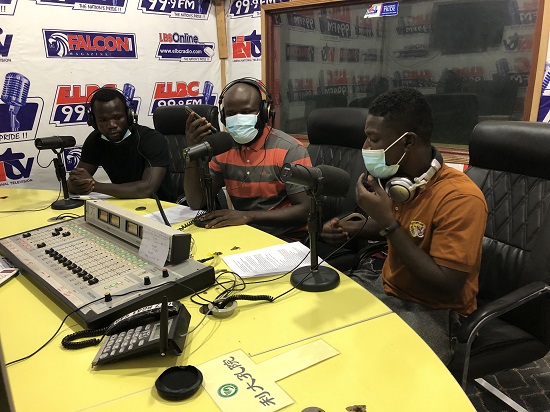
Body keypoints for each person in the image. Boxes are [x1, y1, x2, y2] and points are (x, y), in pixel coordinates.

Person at [321, 87, 488, 363]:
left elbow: (447, 286)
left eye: (374, 139)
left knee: (376, 366)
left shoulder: (460, 198)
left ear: (408, 141)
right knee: (321, 328)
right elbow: (407, 227)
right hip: (387, 286)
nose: (366, 147)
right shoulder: (402, 182)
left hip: (435, 309)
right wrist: (351, 227)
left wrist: (388, 222)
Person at [184, 78, 311, 239]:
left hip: (286, 238)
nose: (238, 119)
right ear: (223, 117)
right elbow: (197, 202)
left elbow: (306, 210)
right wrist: (192, 155)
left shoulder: (289, 150)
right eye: (231, 114)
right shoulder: (223, 149)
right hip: (243, 235)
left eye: (246, 112)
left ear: (264, 112)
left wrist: (248, 216)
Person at [68, 87, 172, 201]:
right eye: (103, 120)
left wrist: (94, 185)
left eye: (117, 117)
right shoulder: (95, 140)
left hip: (163, 206)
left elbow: (147, 189)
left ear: (129, 115)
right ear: (93, 121)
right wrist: (77, 183)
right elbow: (74, 182)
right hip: (123, 204)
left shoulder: (151, 139)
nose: (111, 125)